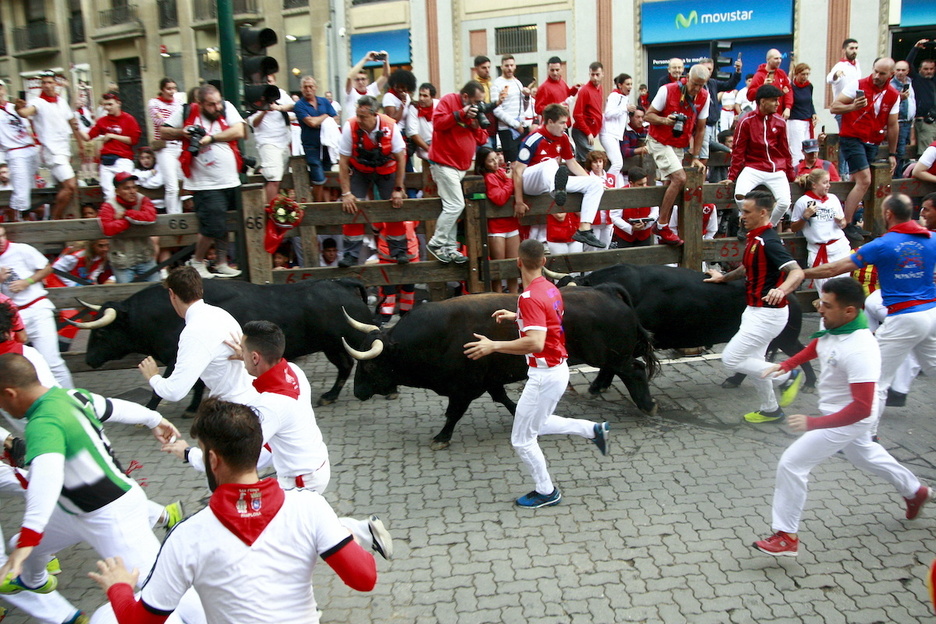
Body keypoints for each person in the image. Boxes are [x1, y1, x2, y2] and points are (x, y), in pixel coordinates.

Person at [89, 398, 378, 623]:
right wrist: (343, 536)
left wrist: (119, 586)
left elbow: (138, 621)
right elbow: (364, 579)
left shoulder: (186, 536)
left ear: (212, 459)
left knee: (106, 617)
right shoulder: (310, 506)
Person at [752, 277, 931, 557]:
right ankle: (914, 490)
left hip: (848, 418)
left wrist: (814, 424)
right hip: (836, 413)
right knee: (864, 455)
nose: (819, 309)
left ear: (849, 311)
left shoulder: (861, 349)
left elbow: (861, 408)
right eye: (820, 302)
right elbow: (820, 345)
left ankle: (786, 536)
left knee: (792, 464)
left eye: (826, 305)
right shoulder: (836, 325)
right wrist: (787, 363)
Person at [0, 354, 184, 601]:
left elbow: (47, 479)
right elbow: (114, 407)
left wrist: (28, 540)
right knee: (21, 543)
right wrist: (154, 419)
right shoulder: (70, 396)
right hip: (73, 511)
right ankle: (35, 580)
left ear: (10, 394)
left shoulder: (42, 424)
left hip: (112, 515)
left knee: (156, 586)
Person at [464, 239, 609, 508]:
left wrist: (493, 345)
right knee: (538, 424)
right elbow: (547, 320)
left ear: (518, 263)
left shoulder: (529, 297)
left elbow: (535, 342)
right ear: (544, 262)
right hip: (556, 370)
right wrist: (517, 315)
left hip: (544, 376)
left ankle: (547, 491)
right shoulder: (550, 289)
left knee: (522, 439)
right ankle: (593, 430)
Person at [802, 193, 936, 433]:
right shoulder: (931, 238)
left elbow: (835, 267)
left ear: (887, 214)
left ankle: (865, 436)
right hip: (932, 314)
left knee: (876, 381)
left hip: (904, 317)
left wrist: (801, 274)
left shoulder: (883, 244)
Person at [704, 190, 805, 424]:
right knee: (756, 363)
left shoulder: (768, 241)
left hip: (768, 314)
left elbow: (796, 272)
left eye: (747, 212)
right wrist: (723, 278)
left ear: (763, 212)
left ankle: (788, 375)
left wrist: (782, 289)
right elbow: (747, 268)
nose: (742, 216)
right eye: (742, 211)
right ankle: (771, 410)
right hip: (756, 311)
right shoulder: (754, 237)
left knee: (731, 359)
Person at [161, 84, 245, 279]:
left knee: (223, 224)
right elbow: (163, 132)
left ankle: (222, 262)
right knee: (212, 224)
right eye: (211, 105)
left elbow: (239, 131)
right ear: (199, 104)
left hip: (230, 179)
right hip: (204, 183)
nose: (217, 108)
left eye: (218, 103)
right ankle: (197, 261)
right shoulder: (186, 112)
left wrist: (211, 139)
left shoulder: (227, 107)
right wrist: (183, 133)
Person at [137, 266, 254, 405]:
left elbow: (174, 392)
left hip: (234, 408)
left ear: (172, 294)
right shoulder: (220, 313)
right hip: (249, 396)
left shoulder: (194, 331)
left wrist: (153, 377)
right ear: (200, 290)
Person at [512, 103, 605, 249]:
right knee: (551, 163)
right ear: (550, 122)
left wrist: (591, 179)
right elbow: (517, 171)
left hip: (551, 182)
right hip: (530, 183)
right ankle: (557, 190)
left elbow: (572, 163)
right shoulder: (533, 139)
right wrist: (518, 201)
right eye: (562, 123)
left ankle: (584, 228)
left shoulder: (564, 138)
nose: (565, 126)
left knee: (595, 183)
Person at [830, 58, 900, 243]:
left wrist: (892, 153)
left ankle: (850, 218)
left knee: (856, 181)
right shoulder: (858, 84)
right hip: (852, 137)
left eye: (882, 73)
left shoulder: (893, 94)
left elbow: (893, 125)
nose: (876, 76)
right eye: (875, 71)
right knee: (865, 180)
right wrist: (853, 106)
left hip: (873, 140)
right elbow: (834, 107)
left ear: (890, 75)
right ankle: (848, 223)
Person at [645, 63, 712, 246]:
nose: (697, 89)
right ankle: (662, 225)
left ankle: (662, 228)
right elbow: (648, 116)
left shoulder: (704, 97)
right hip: (659, 140)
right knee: (679, 178)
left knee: (669, 183)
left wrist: (696, 156)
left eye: (701, 85)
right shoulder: (667, 90)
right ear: (687, 77)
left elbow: (700, 129)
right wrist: (665, 120)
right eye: (695, 84)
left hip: (679, 144)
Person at [337, 95, 407, 267]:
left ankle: (399, 251)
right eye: (358, 115)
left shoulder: (390, 126)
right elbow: (343, 161)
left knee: (394, 206)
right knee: (352, 206)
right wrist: (346, 193)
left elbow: (401, 158)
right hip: (360, 170)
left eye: (363, 117)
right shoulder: (350, 126)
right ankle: (351, 254)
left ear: (375, 114)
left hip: (386, 169)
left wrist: (398, 188)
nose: (359, 120)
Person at [425, 81, 489, 265]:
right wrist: (460, 114)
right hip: (444, 163)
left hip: (461, 166)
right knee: (455, 205)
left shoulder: (477, 112)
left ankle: (450, 248)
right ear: (466, 97)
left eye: (481, 102)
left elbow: (482, 138)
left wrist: (476, 123)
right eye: (476, 101)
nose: (478, 105)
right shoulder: (448, 101)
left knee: (451, 206)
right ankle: (437, 243)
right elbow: (437, 124)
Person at [0, 227, 73, 389]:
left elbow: (47, 268)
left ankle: (73, 401)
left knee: (53, 362)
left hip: (36, 307)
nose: (1, 241)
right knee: (12, 365)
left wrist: (28, 282)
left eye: (2, 236)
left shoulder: (22, 250)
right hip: (10, 317)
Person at [15, 71, 85, 220]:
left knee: (60, 188)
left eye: (49, 82)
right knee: (70, 185)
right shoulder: (38, 102)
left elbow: (72, 122)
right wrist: (19, 109)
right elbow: (26, 112)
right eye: (44, 83)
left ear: (55, 83)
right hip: (51, 152)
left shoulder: (61, 101)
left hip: (64, 150)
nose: (47, 85)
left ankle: (59, 218)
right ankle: (55, 219)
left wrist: (80, 144)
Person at [725, 85, 795, 227]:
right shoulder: (746, 121)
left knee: (784, 203)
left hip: (776, 169)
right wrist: (732, 177)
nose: (777, 103)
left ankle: (765, 228)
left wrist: (791, 175)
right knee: (740, 197)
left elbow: (785, 151)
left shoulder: (780, 122)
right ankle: (746, 222)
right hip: (753, 167)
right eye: (774, 100)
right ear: (763, 101)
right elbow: (738, 151)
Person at [790, 169, 848, 293]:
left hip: (839, 248)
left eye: (829, 182)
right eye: (825, 182)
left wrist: (841, 222)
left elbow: (843, 223)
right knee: (825, 292)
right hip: (818, 250)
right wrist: (804, 217)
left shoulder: (833, 199)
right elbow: (794, 228)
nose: (828, 185)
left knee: (843, 289)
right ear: (814, 185)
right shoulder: (803, 202)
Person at [98, 172, 159, 284]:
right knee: (126, 296)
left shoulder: (143, 200)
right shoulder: (108, 205)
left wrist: (127, 214)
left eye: (134, 187)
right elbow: (107, 229)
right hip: (122, 262)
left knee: (157, 290)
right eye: (126, 188)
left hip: (145, 257)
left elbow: (150, 217)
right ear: (117, 191)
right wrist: (128, 221)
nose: (132, 191)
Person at [83, 92, 141, 202]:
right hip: (106, 161)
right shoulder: (102, 121)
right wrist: (75, 128)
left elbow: (133, 140)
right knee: (109, 193)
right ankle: (113, 217)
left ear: (118, 103)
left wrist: (112, 135)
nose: (107, 108)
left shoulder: (128, 119)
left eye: (110, 104)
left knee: (126, 191)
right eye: (105, 105)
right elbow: (88, 136)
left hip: (123, 159)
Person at [477, 146, 520, 294]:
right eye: (491, 161)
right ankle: (498, 298)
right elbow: (499, 198)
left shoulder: (500, 172)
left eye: (496, 158)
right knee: (498, 268)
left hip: (511, 224)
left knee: (514, 266)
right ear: (483, 163)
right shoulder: (489, 177)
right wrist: (509, 181)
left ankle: (515, 298)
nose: (496, 162)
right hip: (496, 228)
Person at [248, 76, 294, 204]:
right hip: (268, 143)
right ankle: (271, 213)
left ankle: (283, 211)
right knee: (273, 179)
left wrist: (279, 108)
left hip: (284, 142)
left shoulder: (281, 94)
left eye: (270, 81)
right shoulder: (255, 97)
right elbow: (253, 123)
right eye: (265, 81)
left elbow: (295, 109)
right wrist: (264, 110)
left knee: (284, 179)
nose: (267, 84)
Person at [294, 76, 337, 204]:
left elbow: (336, 119)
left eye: (311, 86)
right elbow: (311, 123)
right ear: (301, 89)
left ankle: (327, 205)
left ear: (315, 88)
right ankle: (318, 206)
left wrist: (320, 121)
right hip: (311, 145)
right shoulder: (299, 105)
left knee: (328, 175)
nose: (308, 89)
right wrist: (325, 116)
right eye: (305, 87)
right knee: (318, 178)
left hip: (327, 145)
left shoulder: (324, 101)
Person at [0, 80, 38, 221]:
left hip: (30, 147)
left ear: (4, 89)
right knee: (20, 192)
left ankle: (30, 219)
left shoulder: (13, 106)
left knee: (33, 189)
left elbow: (31, 122)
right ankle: (16, 224)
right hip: (15, 151)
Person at [147, 78, 184, 214]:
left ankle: (180, 215)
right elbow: (161, 122)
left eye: (174, 88)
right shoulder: (154, 103)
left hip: (179, 146)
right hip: (165, 147)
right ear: (162, 90)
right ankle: (173, 217)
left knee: (181, 184)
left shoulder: (179, 103)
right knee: (172, 187)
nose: (172, 92)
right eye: (168, 89)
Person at [699, 56, 743, 165]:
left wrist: (737, 72)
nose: (707, 72)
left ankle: (714, 180)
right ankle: (700, 182)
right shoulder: (696, 85)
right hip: (702, 125)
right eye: (705, 69)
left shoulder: (712, 83)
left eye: (709, 69)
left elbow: (729, 85)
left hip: (713, 124)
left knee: (714, 155)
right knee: (703, 156)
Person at [493, 55, 534, 163]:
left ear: (515, 66)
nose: (509, 68)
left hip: (521, 129)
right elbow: (496, 109)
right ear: (501, 67)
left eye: (511, 65)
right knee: (512, 163)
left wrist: (526, 96)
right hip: (507, 130)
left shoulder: (518, 83)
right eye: (506, 65)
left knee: (523, 162)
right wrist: (515, 124)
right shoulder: (497, 84)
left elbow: (523, 108)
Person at [610, 167, 657, 248]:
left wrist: (648, 222)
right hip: (625, 235)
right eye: (640, 184)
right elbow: (614, 216)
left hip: (644, 234)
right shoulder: (620, 194)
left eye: (645, 183)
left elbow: (655, 210)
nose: (644, 186)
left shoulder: (650, 192)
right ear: (631, 183)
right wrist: (630, 228)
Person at [600, 73, 635, 177]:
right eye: (627, 84)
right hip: (608, 134)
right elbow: (608, 113)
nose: (630, 87)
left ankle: (610, 183)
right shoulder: (615, 96)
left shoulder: (623, 97)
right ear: (620, 85)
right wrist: (625, 109)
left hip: (615, 135)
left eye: (631, 84)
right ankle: (606, 184)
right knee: (618, 163)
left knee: (616, 163)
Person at [570, 62, 604, 162]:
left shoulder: (599, 89)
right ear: (589, 74)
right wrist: (588, 132)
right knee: (592, 160)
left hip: (589, 131)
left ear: (602, 74)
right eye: (592, 74)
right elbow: (577, 114)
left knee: (581, 161)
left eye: (597, 74)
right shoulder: (585, 90)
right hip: (581, 131)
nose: (595, 77)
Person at [907, 40, 936, 158]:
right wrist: (915, 48)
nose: (929, 71)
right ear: (920, 69)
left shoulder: (934, 80)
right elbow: (907, 64)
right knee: (928, 154)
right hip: (925, 121)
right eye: (926, 69)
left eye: (931, 68)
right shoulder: (917, 79)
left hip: (934, 119)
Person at [582, 150, 616, 249]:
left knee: (605, 247)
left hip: (608, 219)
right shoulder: (586, 177)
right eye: (595, 162)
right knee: (591, 249)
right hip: (593, 219)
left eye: (600, 162)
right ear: (590, 164)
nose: (598, 165)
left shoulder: (611, 178)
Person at [344, 51, 390, 121]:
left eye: (363, 79)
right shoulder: (350, 92)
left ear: (367, 80)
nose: (361, 82)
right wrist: (365, 59)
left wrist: (385, 60)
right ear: (353, 81)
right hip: (354, 125)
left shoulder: (371, 89)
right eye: (357, 80)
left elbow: (385, 76)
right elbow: (350, 77)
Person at [746, 50, 794, 117]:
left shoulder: (781, 73)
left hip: (779, 116)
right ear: (768, 60)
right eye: (776, 58)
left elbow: (789, 91)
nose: (779, 61)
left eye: (780, 58)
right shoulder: (759, 75)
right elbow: (750, 96)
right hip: (763, 116)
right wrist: (763, 86)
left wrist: (788, 108)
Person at [787, 63, 818, 166]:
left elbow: (810, 102)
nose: (805, 77)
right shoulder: (791, 87)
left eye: (807, 74)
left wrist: (814, 113)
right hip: (795, 120)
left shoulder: (809, 86)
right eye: (803, 74)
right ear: (797, 74)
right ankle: (796, 170)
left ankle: (807, 169)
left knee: (808, 149)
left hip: (807, 121)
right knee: (797, 149)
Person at [891, 60, 916, 176]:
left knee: (904, 152)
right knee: (898, 152)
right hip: (898, 122)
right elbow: (890, 104)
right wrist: (900, 98)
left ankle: (899, 176)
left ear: (908, 71)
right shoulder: (892, 85)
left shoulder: (910, 83)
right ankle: (895, 179)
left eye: (903, 70)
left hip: (908, 122)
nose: (900, 73)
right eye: (898, 70)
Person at [405, 82, 438, 166]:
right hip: (425, 150)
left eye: (425, 96)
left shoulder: (439, 104)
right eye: (420, 95)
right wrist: (429, 149)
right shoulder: (414, 108)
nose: (421, 98)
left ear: (432, 97)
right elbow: (413, 133)